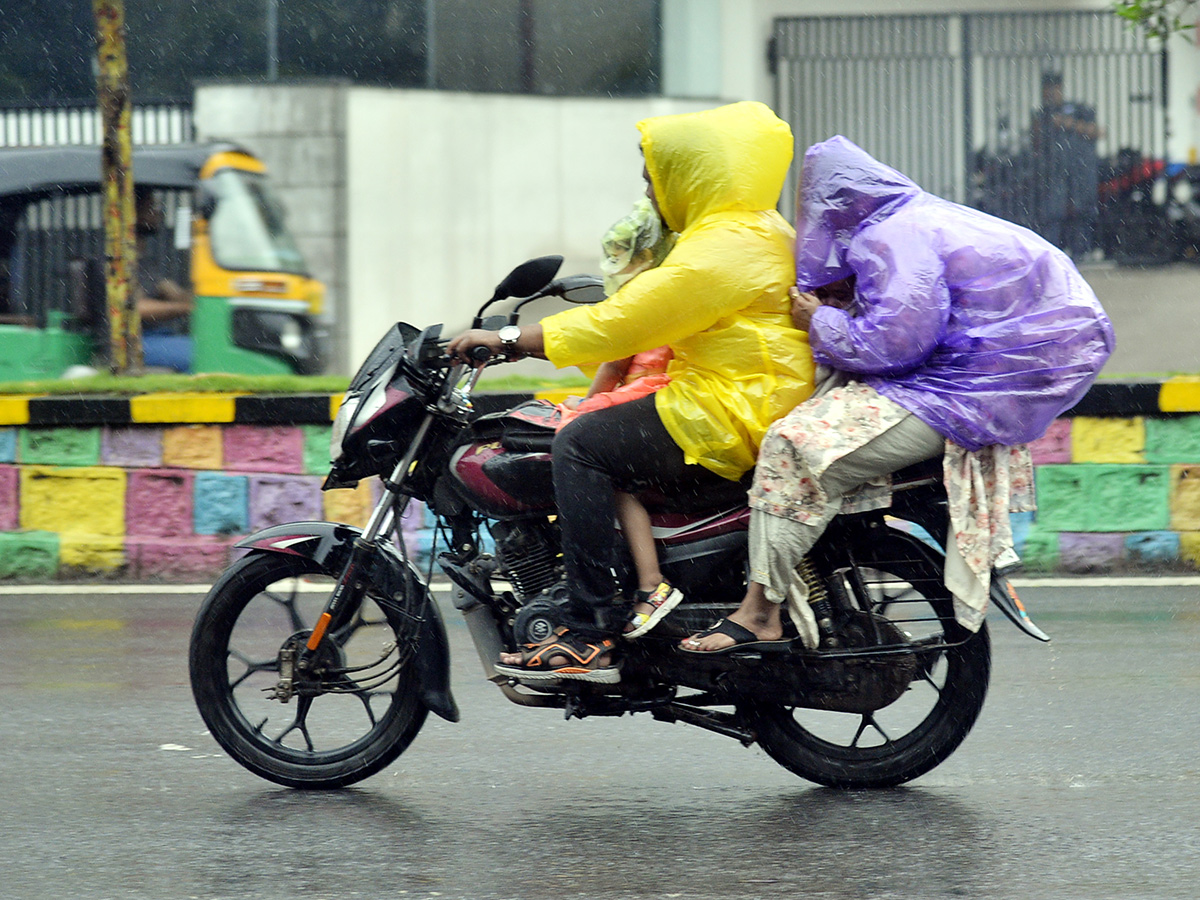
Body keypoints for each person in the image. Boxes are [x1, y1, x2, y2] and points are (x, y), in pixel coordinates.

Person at [683, 135, 1115, 653]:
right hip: (991, 384)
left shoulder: (889, 236)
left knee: (792, 445)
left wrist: (817, 318)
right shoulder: (925, 216)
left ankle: (759, 612)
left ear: (831, 206)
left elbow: (897, 341)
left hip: (959, 391)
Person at [447, 101, 815, 682]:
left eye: (658, 176)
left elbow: (625, 322)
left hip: (730, 409)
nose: (653, 188)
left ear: (698, 175)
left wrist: (510, 339)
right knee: (598, 437)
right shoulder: (758, 230)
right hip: (741, 395)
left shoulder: (722, 247)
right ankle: (639, 585)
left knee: (581, 444)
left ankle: (589, 628)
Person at [1031, 72, 1103, 259]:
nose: (1051, 93)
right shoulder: (1042, 114)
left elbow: (1097, 132)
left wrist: (1067, 124)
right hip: (1053, 171)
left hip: (1080, 169)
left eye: (1055, 88)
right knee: (1053, 213)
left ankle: (1082, 252)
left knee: (1082, 210)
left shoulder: (1078, 110)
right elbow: (1036, 143)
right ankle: (1053, 254)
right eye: (1048, 89)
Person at [134, 189, 194, 372]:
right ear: (132, 210)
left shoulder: (142, 260)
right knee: (204, 357)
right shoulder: (115, 261)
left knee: (210, 347)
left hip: (159, 338)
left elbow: (174, 293)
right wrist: (186, 308)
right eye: (151, 206)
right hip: (133, 342)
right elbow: (136, 308)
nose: (158, 213)